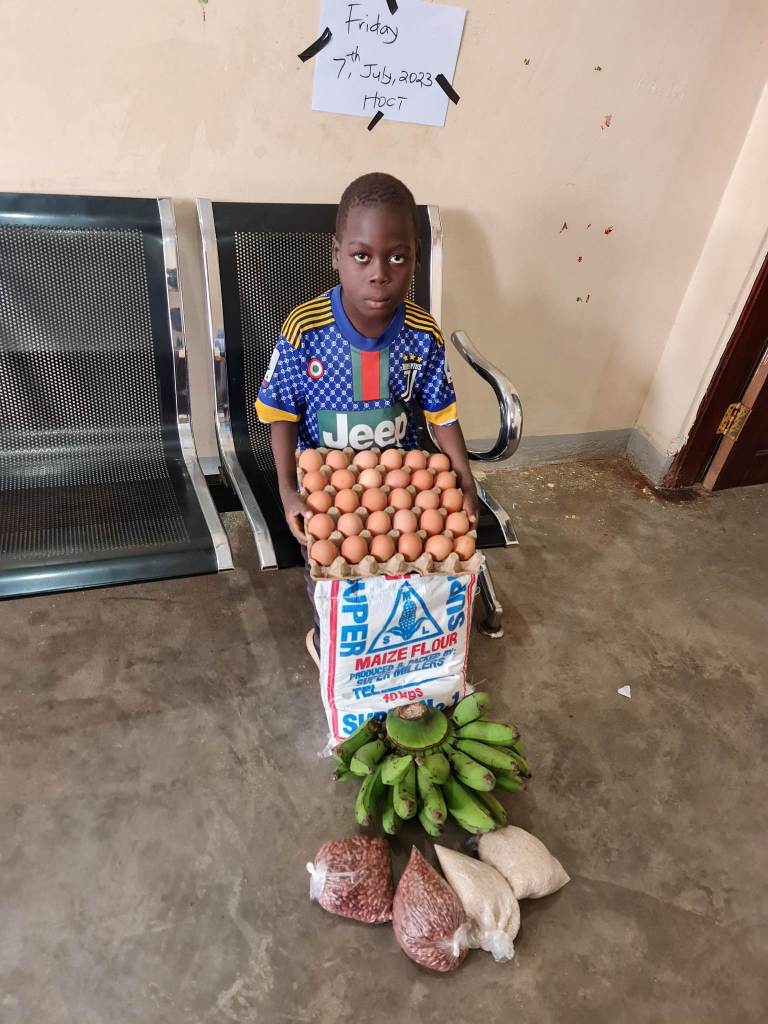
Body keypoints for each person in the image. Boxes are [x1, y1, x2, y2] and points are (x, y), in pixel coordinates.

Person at [255, 172, 479, 665]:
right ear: (336, 255)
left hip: (397, 478)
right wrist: (288, 489)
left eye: (397, 257)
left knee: (403, 570)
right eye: (362, 256)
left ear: (415, 260)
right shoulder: (306, 329)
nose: (379, 274)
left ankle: (391, 649)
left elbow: (441, 413)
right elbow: (281, 413)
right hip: (327, 486)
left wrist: (465, 478)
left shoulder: (422, 332)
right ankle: (329, 639)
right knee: (333, 574)